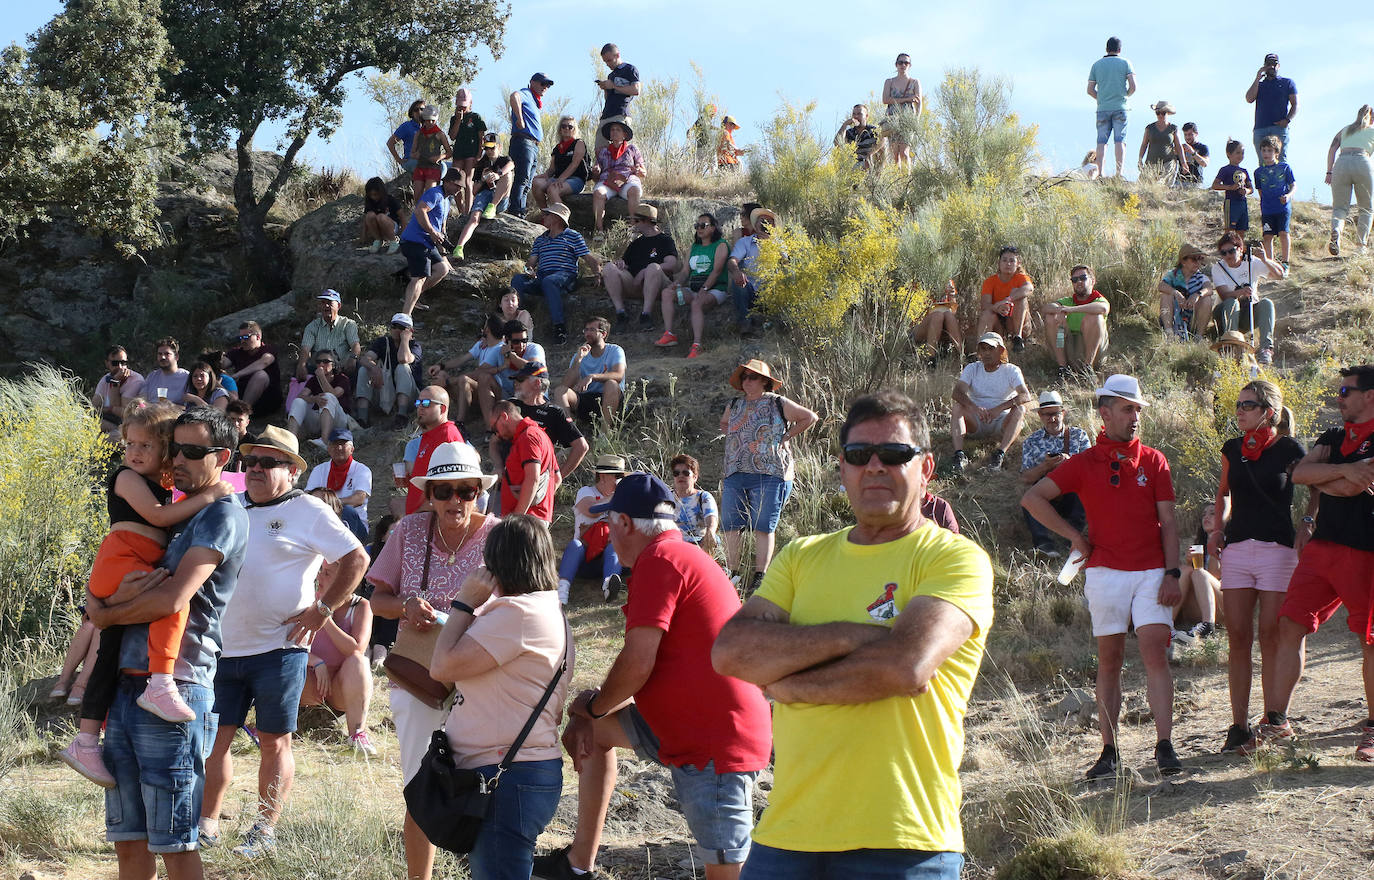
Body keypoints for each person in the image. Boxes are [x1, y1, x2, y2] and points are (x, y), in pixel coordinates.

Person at [713, 390, 994, 880]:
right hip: (786, 835)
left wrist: (792, 685)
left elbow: (903, 667)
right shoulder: (801, 556)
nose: (875, 467)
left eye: (894, 455)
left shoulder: (954, 558)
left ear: (926, 468)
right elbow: (732, 651)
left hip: (903, 839)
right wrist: (855, 637)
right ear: (842, 467)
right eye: (860, 456)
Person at [535, 473, 772, 880]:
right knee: (599, 731)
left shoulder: (660, 561)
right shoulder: (674, 554)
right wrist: (592, 715)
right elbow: (651, 663)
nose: (608, 538)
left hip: (714, 739)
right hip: (688, 721)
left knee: (728, 872)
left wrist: (592, 705)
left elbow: (638, 661)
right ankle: (579, 865)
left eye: (610, 526)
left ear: (625, 523)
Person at [82, 407, 248, 880]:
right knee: (129, 841)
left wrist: (103, 613)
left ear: (222, 456)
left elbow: (172, 599)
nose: (181, 458)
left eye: (193, 451)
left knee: (175, 843)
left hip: (176, 686)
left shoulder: (220, 514)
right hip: (128, 685)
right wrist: (103, 601)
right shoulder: (176, 509)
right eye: (176, 448)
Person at [200, 426, 367, 857]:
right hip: (223, 647)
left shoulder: (308, 509)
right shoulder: (230, 506)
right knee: (214, 740)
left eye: (267, 462)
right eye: (250, 460)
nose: (254, 468)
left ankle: (263, 829)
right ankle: (207, 824)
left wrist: (323, 610)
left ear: (292, 471)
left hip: (280, 647)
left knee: (275, 741)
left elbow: (356, 558)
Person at [57, 400, 236, 787]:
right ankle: (160, 682)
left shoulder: (166, 484)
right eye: (130, 445)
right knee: (173, 603)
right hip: (122, 561)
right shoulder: (126, 477)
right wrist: (209, 495)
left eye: (147, 446)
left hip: (127, 565)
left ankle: (87, 740)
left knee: (108, 652)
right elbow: (157, 517)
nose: (134, 453)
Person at [1021, 374, 1184, 779]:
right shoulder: (1085, 461)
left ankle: (1164, 746)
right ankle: (1109, 752)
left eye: (1138, 410)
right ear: (1105, 413)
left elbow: (1169, 521)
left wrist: (1173, 573)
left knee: (1154, 652)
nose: (1135, 417)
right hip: (1105, 572)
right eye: (1128, 409)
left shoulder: (1154, 459)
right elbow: (1032, 497)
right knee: (1109, 661)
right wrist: (1074, 536)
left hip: (1150, 571)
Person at [366, 441, 499, 880]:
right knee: (420, 789)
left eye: (466, 490)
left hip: (481, 678)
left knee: (483, 785)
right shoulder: (406, 531)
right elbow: (376, 597)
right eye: (445, 491)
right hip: (418, 677)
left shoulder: (499, 536)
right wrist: (404, 606)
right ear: (429, 494)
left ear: (479, 491)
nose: (455, 501)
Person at [429, 515, 572, 880]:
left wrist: (464, 603)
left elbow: (442, 665)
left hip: (506, 775)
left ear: (498, 563)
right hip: (520, 771)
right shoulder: (547, 610)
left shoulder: (517, 614)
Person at [1266, 365, 1374, 761]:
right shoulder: (1333, 437)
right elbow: (1299, 473)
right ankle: (1276, 722)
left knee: (1370, 640)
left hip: (1366, 551)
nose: (1339, 397)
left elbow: (1350, 487)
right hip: (1322, 548)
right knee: (1289, 623)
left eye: (1346, 391)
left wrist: (1328, 477)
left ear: (1370, 396)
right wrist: (1343, 469)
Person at [1208, 380, 1312, 754]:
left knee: (1270, 638)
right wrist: (1217, 529)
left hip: (1278, 551)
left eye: (1247, 405)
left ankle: (1273, 720)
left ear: (1268, 411)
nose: (1239, 411)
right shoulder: (1231, 449)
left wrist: (1308, 521)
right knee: (1237, 639)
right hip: (1237, 549)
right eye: (1237, 405)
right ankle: (1238, 726)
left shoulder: (1290, 449)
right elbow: (1223, 494)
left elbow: (1315, 487)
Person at [720, 359, 819, 592]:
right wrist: (737, 441)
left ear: (764, 381)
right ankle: (731, 573)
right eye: (744, 377)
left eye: (752, 377)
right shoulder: (734, 404)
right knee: (730, 524)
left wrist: (785, 437)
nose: (747, 381)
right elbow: (725, 424)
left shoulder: (777, 402)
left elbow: (809, 417)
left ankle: (759, 577)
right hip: (735, 471)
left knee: (763, 525)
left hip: (770, 472)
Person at [299, 571, 376, 756]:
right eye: (319, 572)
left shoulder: (360, 606)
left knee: (359, 661)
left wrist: (324, 616)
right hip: (308, 681)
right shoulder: (305, 598)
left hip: (340, 689)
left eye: (327, 573)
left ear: (346, 578)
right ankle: (272, 725)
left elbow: (355, 649)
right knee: (285, 661)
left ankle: (357, 734)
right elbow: (283, 643)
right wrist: (316, 662)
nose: (319, 578)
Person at [512, 202, 602, 345]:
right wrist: (529, 272)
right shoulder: (540, 239)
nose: (543, 216)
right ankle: (515, 321)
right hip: (542, 277)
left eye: (547, 214)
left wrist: (597, 274)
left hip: (565, 276)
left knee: (550, 281)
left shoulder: (573, 236)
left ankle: (559, 327)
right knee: (518, 280)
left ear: (556, 218)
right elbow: (530, 263)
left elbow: (588, 258)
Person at [488, 361, 589, 482]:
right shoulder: (511, 406)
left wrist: (556, 479)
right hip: (507, 479)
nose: (515, 383)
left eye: (520, 379)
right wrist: (499, 466)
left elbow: (581, 447)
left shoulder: (554, 412)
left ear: (537, 383)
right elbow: (494, 442)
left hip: (536, 483)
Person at [1019, 391, 1091, 558]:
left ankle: (1070, 542)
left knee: (1083, 493)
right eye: (1047, 414)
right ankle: (1044, 544)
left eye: (1055, 414)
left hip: (1073, 493)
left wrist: (1069, 462)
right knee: (1030, 498)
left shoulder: (1079, 436)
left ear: (1063, 413)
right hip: (1045, 496)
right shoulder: (1031, 441)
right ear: (1040, 415)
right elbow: (1025, 477)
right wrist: (1046, 466)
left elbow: (1090, 468)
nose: (1052, 418)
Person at [950, 332, 1031, 473]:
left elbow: (1025, 395)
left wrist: (998, 409)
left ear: (1000, 350)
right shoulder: (972, 368)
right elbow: (957, 393)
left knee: (1020, 410)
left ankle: (1000, 453)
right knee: (957, 407)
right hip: (976, 420)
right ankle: (959, 455)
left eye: (990, 349)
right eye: (983, 349)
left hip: (1001, 422)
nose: (986, 353)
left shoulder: (1011, 370)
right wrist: (975, 408)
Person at [556, 454, 628, 605]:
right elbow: (591, 510)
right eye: (618, 477)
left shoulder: (622, 499)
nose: (619, 481)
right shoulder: (586, 491)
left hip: (607, 558)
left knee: (614, 545)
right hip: (585, 558)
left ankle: (610, 585)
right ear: (603, 476)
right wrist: (616, 496)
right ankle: (562, 590)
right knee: (576, 546)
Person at [1210, 230, 1286, 366]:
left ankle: (1265, 349)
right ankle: (1230, 344)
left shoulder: (1251, 262)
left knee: (1266, 303)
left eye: (1231, 251)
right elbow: (1223, 295)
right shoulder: (1218, 268)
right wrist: (1241, 292)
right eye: (1223, 253)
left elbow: (1280, 275)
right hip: (1225, 313)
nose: (1227, 256)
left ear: (1240, 249)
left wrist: (1265, 260)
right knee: (1232, 302)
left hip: (1248, 312)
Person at [398, 168, 465, 315]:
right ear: (447, 182)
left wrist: (444, 255)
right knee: (420, 277)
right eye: (457, 185)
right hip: (414, 241)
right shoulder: (435, 193)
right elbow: (420, 211)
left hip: (428, 243)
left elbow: (442, 228)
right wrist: (432, 232)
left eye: (461, 187)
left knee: (442, 269)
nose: (459, 189)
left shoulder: (447, 201)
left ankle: (412, 297)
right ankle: (405, 317)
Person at [604, 204, 679, 334]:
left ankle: (646, 315)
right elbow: (627, 264)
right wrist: (621, 264)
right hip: (636, 285)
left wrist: (645, 271)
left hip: (659, 286)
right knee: (609, 267)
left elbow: (672, 264)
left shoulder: (665, 240)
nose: (634, 224)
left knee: (653, 268)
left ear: (647, 221)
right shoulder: (636, 243)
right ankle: (621, 314)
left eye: (636, 221)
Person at [666, 211, 731, 355]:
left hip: (715, 289)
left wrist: (705, 288)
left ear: (713, 228)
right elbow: (685, 272)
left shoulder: (721, 245)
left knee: (697, 302)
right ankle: (669, 334)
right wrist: (676, 283)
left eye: (703, 225)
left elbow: (717, 271)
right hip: (693, 289)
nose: (699, 228)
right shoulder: (694, 247)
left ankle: (697, 345)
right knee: (668, 293)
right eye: (697, 225)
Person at [432, 315, 507, 432]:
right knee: (441, 375)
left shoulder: (499, 348)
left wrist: (448, 381)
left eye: (485, 325)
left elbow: (477, 373)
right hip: (477, 389)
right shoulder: (482, 345)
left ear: (488, 329)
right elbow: (462, 359)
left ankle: (460, 422)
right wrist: (441, 366)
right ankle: (437, 415)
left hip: (493, 393)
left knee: (464, 380)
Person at [492, 399, 561, 522]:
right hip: (534, 518)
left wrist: (517, 518)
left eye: (495, 428)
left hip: (525, 522)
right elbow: (557, 479)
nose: (497, 435)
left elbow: (532, 478)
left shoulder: (528, 437)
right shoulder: (539, 434)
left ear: (503, 417)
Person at [404, 386, 465, 515]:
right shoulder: (430, 435)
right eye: (418, 403)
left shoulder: (447, 436)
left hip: (432, 517)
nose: (420, 407)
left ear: (442, 409)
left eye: (426, 403)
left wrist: (423, 509)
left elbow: (453, 483)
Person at [555, 316, 626, 424]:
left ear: (603, 334)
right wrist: (578, 360)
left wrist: (592, 377)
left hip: (611, 399)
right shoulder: (579, 355)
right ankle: (569, 431)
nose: (587, 333)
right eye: (586, 330)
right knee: (560, 391)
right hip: (586, 399)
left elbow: (619, 375)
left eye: (592, 330)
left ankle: (604, 434)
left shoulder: (615, 350)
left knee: (611, 383)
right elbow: (565, 385)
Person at [357, 312, 422, 429]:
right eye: (394, 326)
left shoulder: (415, 346)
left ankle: (401, 416)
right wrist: (374, 368)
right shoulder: (383, 342)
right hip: (385, 394)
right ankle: (362, 418)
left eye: (402, 328)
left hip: (409, 397)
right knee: (364, 370)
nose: (397, 330)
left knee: (402, 368)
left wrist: (405, 340)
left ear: (410, 331)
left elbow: (403, 359)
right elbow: (365, 359)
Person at [1043, 265, 1110, 379]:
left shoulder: (1099, 300)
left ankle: (1087, 369)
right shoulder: (1067, 301)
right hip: (1069, 350)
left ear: (1092, 281)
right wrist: (1059, 311)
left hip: (1093, 353)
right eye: (1074, 280)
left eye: (1083, 278)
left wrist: (1070, 310)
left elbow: (1103, 309)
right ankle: (1063, 368)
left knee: (1094, 318)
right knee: (1051, 318)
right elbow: (1046, 309)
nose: (1079, 282)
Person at [1325, 104, 1374, 256]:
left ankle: (1336, 232)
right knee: (1366, 208)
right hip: (1362, 162)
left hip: (1341, 163)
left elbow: (1332, 148)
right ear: (1372, 118)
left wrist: (1329, 171)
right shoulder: (1372, 131)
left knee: (1339, 208)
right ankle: (1361, 246)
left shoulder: (1345, 130)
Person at [1087, 37, 1137, 178]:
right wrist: (1125, 96)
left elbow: (1090, 90)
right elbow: (1133, 86)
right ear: (1119, 49)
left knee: (1101, 142)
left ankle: (1100, 173)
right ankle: (1118, 173)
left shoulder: (1096, 65)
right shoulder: (1126, 63)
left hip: (1102, 108)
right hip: (1121, 107)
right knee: (1120, 140)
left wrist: (1101, 99)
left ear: (1106, 49)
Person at [451, 147, 514, 258]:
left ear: (499, 147)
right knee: (474, 218)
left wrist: (498, 174)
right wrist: (482, 180)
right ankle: (459, 248)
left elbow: (511, 165)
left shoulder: (504, 160)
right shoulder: (482, 164)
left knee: (508, 175)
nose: (489, 151)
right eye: (487, 148)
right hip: (484, 195)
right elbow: (474, 191)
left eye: (492, 148)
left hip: (500, 198)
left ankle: (492, 206)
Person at [726, 207, 777, 342]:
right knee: (739, 282)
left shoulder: (780, 244)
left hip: (772, 292)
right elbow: (732, 261)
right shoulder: (745, 242)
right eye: (762, 221)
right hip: (750, 289)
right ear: (755, 224)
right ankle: (745, 326)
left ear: (774, 226)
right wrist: (737, 272)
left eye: (768, 222)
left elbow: (787, 265)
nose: (765, 224)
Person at [590, 120, 646, 243]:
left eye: (618, 130)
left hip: (627, 180)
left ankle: (633, 229)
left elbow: (643, 172)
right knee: (598, 193)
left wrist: (637, 170)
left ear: (624, 135)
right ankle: (599, 230)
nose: (614, 132)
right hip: (608, 181)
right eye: (612, 130)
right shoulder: (603, 151)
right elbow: (596, 174)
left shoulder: (632, 149)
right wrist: (596, 171)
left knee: (634, 189)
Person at [286, 350, 351, 451]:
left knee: (328, 396)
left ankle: (324, 441)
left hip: (338, 421)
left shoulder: (342, 379)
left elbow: (334, 394)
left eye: (325, 361)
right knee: (298, 401)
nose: (321, 364)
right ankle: (290, 442)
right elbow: (301, 396)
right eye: (318, 361)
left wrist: (321, 376)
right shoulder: (313, 380)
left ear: (333, 365)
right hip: (318, 418)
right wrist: (314, 399)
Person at [509, 73, 553, 215]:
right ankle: (515, 210)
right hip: (524, 141)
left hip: (532, 145)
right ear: (532, 82)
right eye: (542, 83)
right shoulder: (526, 93)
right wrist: (520, 119)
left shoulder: (534, 100)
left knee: (527, 182)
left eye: (547, 85)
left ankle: (520, 211)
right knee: (522, 178)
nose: (545, 87)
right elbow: (514, 96)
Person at [305, 428, 372, 521]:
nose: (339, 448)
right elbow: (308, 496)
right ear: (328, 449)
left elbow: (359, 498)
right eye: (335, 444)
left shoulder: (362, 470)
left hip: (354, 522)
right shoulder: (319, 470)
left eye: (343, 444)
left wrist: (333, 504)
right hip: (323, 518)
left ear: (352, 449)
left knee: (347, 510)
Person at [976, 245, 1034, 352]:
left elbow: (1029, 288)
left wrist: (1008, 299)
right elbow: (985, 305)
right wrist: (997, 307)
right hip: (999, 323)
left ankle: (1018, 338)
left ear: (1018, 263)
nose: (1008, 264)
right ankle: (981, 349)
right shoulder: (990, 281)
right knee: (987, 313)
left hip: (1018, 323)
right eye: (1004, 260)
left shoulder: (1021, 278)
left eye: (1012, 261)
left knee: (1020, 297)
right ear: (999, 263)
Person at [298, 289, 361, 383]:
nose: (326, 306)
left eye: (330, 303)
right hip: (319, 368)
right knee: (301, 367)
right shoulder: (312, 326)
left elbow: (355, 345)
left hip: (342, 368)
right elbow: (305, 349)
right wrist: (301, 365)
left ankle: (353, 396)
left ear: (338, 305)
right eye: (323, 303)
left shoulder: (348, 324)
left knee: (358, 366)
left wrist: (353, 358)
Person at [1157, 243, 1216, 341]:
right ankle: (1169, 334)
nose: (1197, 262)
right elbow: (1161, 286)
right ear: (1183, 261)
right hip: (1174, 316)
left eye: (1200, 258)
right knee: (1165, 295)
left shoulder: (1201, 277)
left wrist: (1198, 295)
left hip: (1193, 318)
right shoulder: (1173, 274)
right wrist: (1175, 293)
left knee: (1207, 299)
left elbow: (1209, 289)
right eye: (1194, 259)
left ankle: (1199, 336)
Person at [1245, 53, 1297, 161]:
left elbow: (1295, 104)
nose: (1272, 67)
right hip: (1260, 129)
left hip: (1279, 129)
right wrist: (1258, 77)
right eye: (1269, 64)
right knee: (1263, 164)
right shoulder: (1259, 85)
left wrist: (1287, 120)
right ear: (1264, 66)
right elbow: (1249, 99)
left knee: (1281, 162)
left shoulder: (1287, 82)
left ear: (1278, 66)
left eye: (1274, 64)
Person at [531, 116, 591, 210]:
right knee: (536, 183)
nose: (566, 128)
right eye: (563, 126)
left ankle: (562, 221)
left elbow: (575, 164)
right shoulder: (558, 148)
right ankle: (545, 214)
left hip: (576, 179)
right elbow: (552, 169)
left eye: (570, 127)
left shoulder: (579, 143)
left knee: (552, 189)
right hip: (558, 178)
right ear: (560, 129)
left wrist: (561, 179)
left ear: (574, 129)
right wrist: (545, 175)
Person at [1253, 135, 1296, 266]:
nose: (1266, 153)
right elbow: (1260, 190)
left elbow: (1293, 185)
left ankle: (1285, 263)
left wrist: (1288, 196)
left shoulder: (1284, 167)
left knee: (1283, 233)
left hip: (1283, 207)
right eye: (1264, 150)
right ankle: (1270, 265)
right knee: (1267, 236)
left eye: (1270, 150)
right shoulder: (1258, 172)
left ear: (1276, 153)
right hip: (1267, 209)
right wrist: (1264, 203)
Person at [225, 321, 282, 415]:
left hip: (267, 400)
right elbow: (222, 363)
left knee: (261, 375)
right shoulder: (237, 352)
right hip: (240, 395)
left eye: (246, 337)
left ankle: (241, 413)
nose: (243, 341)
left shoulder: (268, 350)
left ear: (258, 337)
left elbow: (264, 362)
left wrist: (238, 374)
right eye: (240, 338)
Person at [670, 453, 720, 555]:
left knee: (713, 539)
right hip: (673, 544)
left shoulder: (704, 497)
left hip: (699, 543)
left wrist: (710, 531)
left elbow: (711, 518)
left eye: (685, 473)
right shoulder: (667, 497)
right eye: (676, 473)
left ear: (695, 477)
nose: (680, 476)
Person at [594, 42, 640, 152]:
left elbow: (636, 90)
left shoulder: (630, 69)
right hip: (606, 115)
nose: (607, 64)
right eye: (605, 62)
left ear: (617, 55)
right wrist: (606, 88)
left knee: (620, 150)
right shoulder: (611, 75)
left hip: (620, 114)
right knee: (600, 150)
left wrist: (613, 86)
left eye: (609, 60)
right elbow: (608, 98)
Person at [92, 345, 146, 439]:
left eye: (123, 363)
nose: (120, 367)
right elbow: (94, 407)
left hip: (130, 425)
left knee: (110, 437)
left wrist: (115, 383)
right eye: (115, 363)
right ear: (107, 363)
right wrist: (111, 409)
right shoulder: (105, 380)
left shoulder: (135, 380)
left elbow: (124, 414)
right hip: (110, 422)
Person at [447, 88, 486, 214]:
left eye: (464, 105)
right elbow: (452, 136)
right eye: (460, 106)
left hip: (471, 153)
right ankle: (461, 210)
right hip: (459, 153)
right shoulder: (454, 118)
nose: (462, 108)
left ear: (470, 103)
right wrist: (458, 120)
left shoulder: (475, 117)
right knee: (455, 179)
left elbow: (481, 137)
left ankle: (468, 211)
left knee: (468, 181)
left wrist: (479, 154)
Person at [882, 53, 922, 167]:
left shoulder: (915, 82)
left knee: (904, 152)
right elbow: (885, 100)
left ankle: (907, 179)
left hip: (908, 120)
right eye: (900, 62)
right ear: (896, 65)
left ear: (910, 65)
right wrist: (908, 99)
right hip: (892, 119)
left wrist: (916, 120)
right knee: (894, 154)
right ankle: (897, 181)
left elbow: (919, 103)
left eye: (906, 63)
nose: (903, 65)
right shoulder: (889, 82)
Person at [912, 280, 962, 368]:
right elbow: (914, 315)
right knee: (937, 316)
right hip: (922, 325)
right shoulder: (919, 280)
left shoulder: (948, 281)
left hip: (944, 324)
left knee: (949, 316)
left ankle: (962, 355)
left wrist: (952, 295)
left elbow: (954, 310)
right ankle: (931, 359)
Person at [1211, 140, 1253, 233]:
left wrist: (1246, 191)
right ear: (1229, 154)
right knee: (1229, 230)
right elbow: (1215, 185)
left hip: (1242, 203)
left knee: (1241, 230)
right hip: (1231, 202)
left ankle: (1240, 247)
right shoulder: (1225, 169)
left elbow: (1251, 188)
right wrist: (1230, 187)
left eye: (1242, 153)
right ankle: (1227, 247)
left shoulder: (1244, 171)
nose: (1240, 155)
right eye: (1237, 153)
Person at [410, 105, 452, 194]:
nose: (430, 123)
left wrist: (440, 157)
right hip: (420, 166)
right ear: (424, 120)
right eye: (428, 120)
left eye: (433, 120)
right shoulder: (419, 133)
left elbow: (449, 153)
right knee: (417, 195)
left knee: (429, 195)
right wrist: (416, 155)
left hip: (433, 168)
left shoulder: (440, 134)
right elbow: (412, 154)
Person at [1138, 101, 1185, 180]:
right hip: (1151, 162)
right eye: (1158, 113)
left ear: (1168, 113)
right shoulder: (1150, 128)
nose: (1160, 115)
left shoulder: (1173, 128)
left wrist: (1183, 162)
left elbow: (1178, 146)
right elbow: (1144, 144)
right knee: (1145, 186)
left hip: (1168, 162)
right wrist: (1140, 159)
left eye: (1163, 113)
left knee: (1163, 186)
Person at [361, 176, 403, 255]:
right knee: (370, 215)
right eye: (371, 195)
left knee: (381, 217)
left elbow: (402, 215)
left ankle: (393, 241)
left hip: (392, 227)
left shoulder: (390, 200)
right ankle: (378, 240)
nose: (373, 197)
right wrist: (364, 234)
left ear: (381, 192)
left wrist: (405, 233)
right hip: (379, 230)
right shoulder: (370, 202)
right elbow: (366, 218)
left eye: (375, 194)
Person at [834, 103, 882, 169]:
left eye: (859, 114)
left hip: (871, 165)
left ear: (866, 116)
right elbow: (837, 143)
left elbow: (883, 141)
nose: (856, 116)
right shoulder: (849, 132)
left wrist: (871, 154)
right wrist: (845, 125)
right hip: (853, 165)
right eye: (854, 114)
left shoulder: (873, 130)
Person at [145, 337, 191, 406]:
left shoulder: (187, 377)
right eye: (160, 354)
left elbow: (189, 407)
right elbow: (141, 400)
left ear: (176, 357)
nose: (163, 357)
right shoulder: (152, 377)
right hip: (150, 414)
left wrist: (168, 409)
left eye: (167, 354)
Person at [387, 99, 426, 177]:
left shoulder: (428, 126)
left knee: (450, 167)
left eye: (422, 109)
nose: (419, 112)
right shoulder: (407, 126)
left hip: (426, 160)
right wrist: (399, 160)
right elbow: (390, 143)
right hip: (411, 161)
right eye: (416, 110)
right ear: (412, 113)